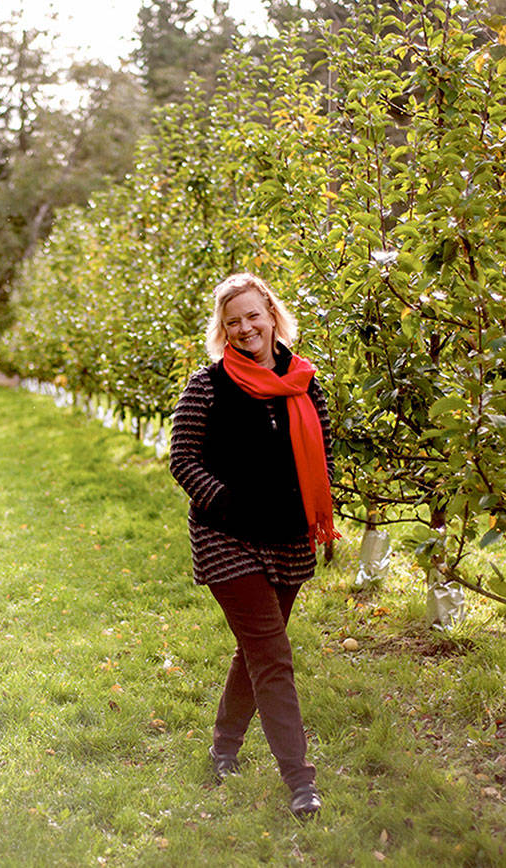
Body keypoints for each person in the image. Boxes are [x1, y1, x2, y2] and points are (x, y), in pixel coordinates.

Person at [169, 272, 338, 820]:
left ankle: (224, 747)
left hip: (287, 538)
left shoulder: (306, 383)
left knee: (256, 649)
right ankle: (300, 781)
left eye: (253, 316)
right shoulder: (208, 386)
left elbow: (324, 458)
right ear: (224, 329)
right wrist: (227, 503)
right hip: (226, 538)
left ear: (271, 315)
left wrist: (316, 516)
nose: (245, 328)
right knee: (273, 654)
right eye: (233, 321)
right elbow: (183, 460)